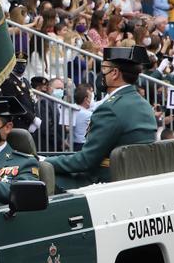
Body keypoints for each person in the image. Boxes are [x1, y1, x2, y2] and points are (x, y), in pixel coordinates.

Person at [47, 47, 158, 191]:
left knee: (43, 178)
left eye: (104, 68)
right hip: (134, 178)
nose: (101, 74)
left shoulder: (110, 109)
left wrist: (46, 162)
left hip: (106, 182)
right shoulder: (144, 104)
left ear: (115, 73)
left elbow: (86, 160)